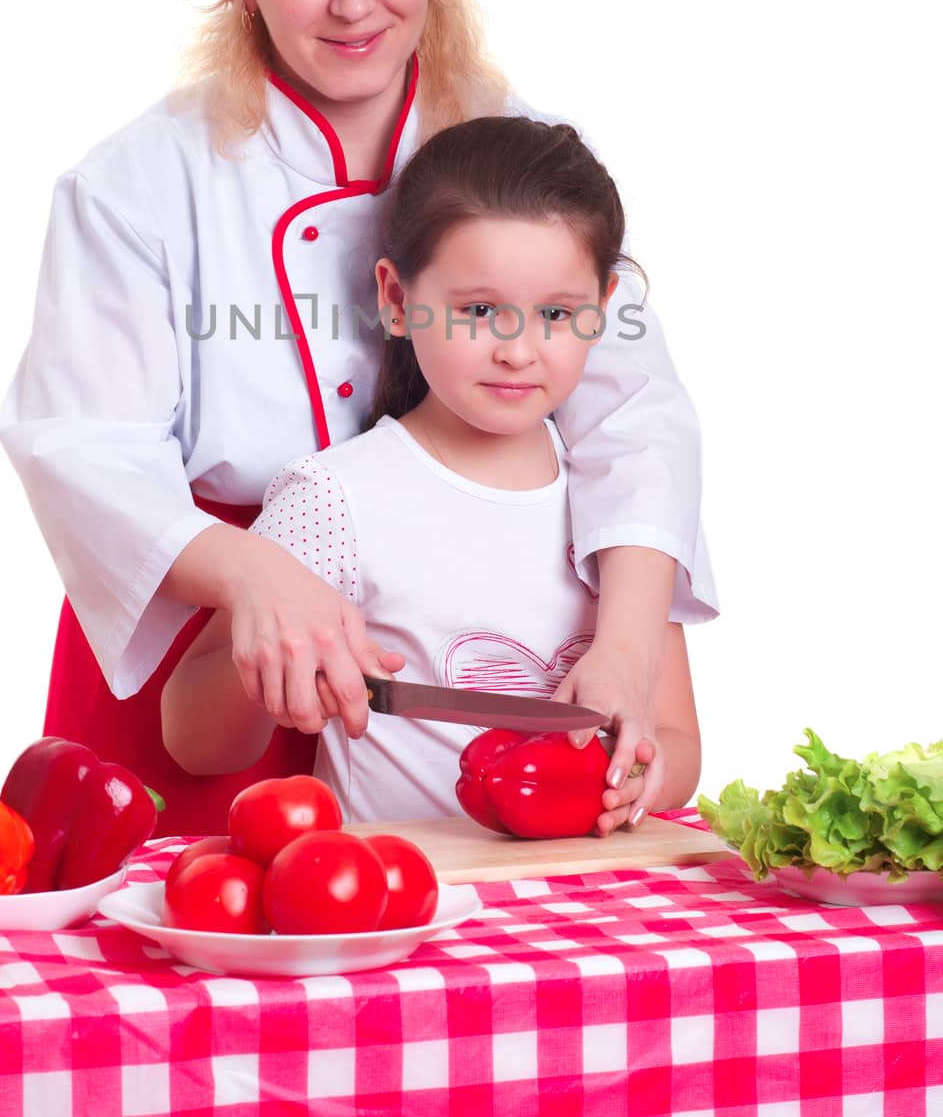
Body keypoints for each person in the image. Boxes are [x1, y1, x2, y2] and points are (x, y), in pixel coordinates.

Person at [0, 0, 716, 834]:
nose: (351, 2)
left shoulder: (514, 152)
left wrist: (622, 646)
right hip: (203, 621)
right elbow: (81, 444)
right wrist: (249, 573)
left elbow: (635, 413)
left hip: (430, 629)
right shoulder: (136, 186)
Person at [161, 116, 701, 827]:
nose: (517, 350)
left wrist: (646, 779)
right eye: (478, 310)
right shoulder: (335, 498)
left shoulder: (620, 509)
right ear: (395, 300)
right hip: (402, 899)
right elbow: (193, 741)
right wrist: (271, 670)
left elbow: (678, 742)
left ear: (603, 312)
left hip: (580, 903)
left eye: (556, 314)